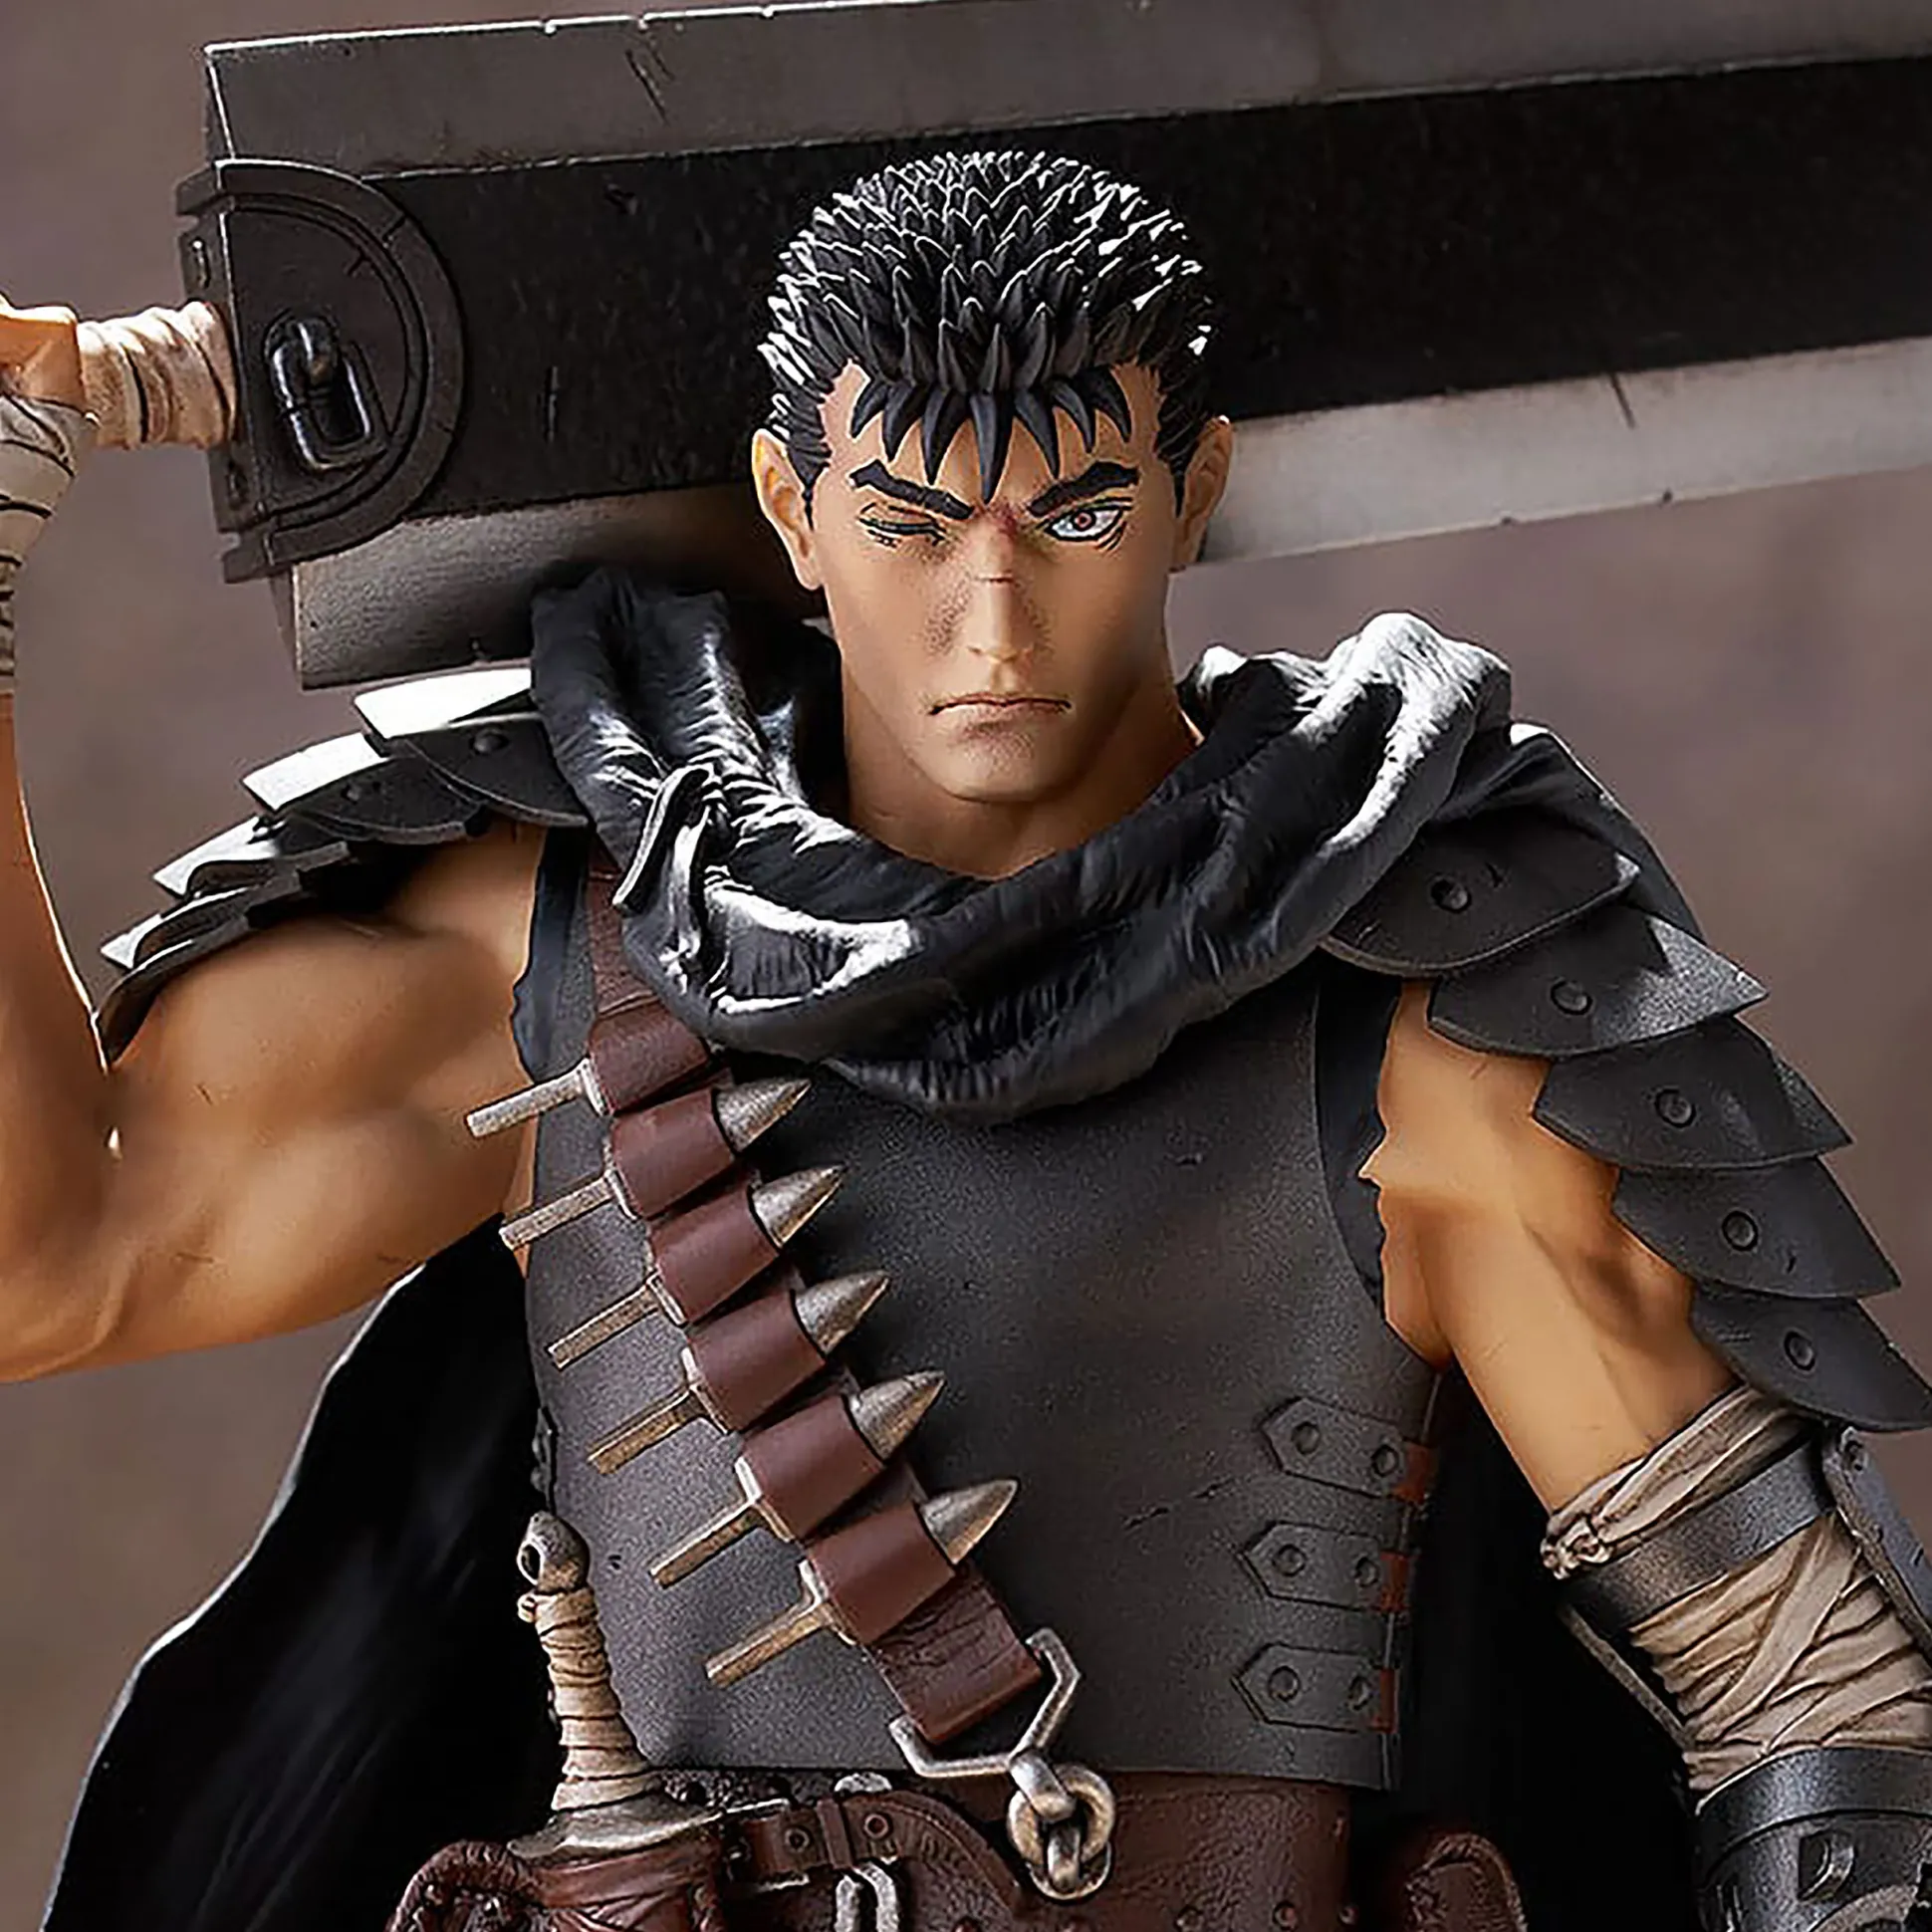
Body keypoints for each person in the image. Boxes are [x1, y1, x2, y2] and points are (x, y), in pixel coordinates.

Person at [4, 149, 1931, 1932]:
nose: (993, 628)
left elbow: (1819, 1712)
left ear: (1195, 487)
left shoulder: (1426, 995)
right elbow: (44, 1267)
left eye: (1075, 514)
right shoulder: (565, 941)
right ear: (792, 508)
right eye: (912, 523)